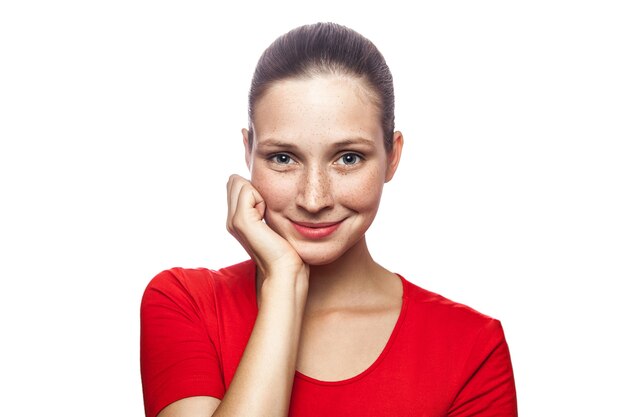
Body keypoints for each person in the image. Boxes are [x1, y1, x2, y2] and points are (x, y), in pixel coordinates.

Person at [140, 22, 517, 417]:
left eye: (348, 158)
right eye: (283, 158)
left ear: (393, 156)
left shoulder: (471, 347)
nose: (314, 199)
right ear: (248, 151)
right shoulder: (185, 303)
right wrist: (284, 281)